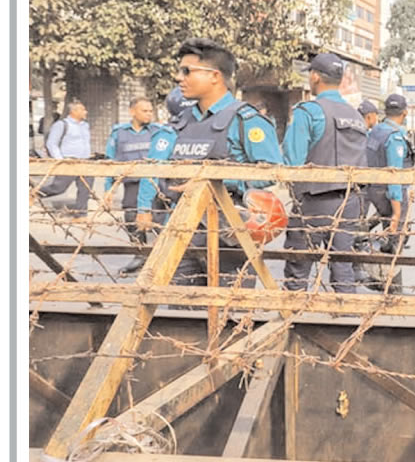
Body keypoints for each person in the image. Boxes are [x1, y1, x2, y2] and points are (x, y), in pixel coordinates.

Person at [135, 37, 284, 288]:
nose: (179, 78)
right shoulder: (181, 122)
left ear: (215, 76)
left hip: (230, 235)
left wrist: (215, 182)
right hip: (182, 234)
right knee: (180, 309)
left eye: (187, 71)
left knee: (229, 309)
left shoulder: (245, 120)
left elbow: (272, 172)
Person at [282, 52, 372, 294]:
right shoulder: (356, 115)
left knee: (298, 269)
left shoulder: (308, 111)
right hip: (350, 202)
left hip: (314, 201)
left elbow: (293, 161)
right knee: (343, 268)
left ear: (315, 76)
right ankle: (346, 315)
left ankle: (292, 314)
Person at [103, 97, 162, 275]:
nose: (149, 114)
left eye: (150, 111)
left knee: (158, 220)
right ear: (132, 112)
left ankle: (160, 257)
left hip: (155, 183)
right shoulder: (119, 133)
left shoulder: (157, 132)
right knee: (131, 218)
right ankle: (139, 254)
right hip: (132, 184)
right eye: (145, 111)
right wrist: (108, 189)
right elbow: (110, 161)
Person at [365, 93, 415, 254]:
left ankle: (366, 235)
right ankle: (388, 264)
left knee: (386, 224)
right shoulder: (394, 137)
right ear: (405, 112)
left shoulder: (376, 130)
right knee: (397, 238)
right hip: (391, 194)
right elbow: (394, 176)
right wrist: (397, 214)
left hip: (373, 190)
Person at [37, 100, 94, 219]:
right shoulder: (62, 125)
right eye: (83, 109)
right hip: (69, 162)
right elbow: (52, 143)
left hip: (86, 162)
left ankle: (81, 215)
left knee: (85, 190)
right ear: (74, 111)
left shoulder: (85, 125)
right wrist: (60, 160)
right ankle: (33, 194)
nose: (86, 112)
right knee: (58, 188)